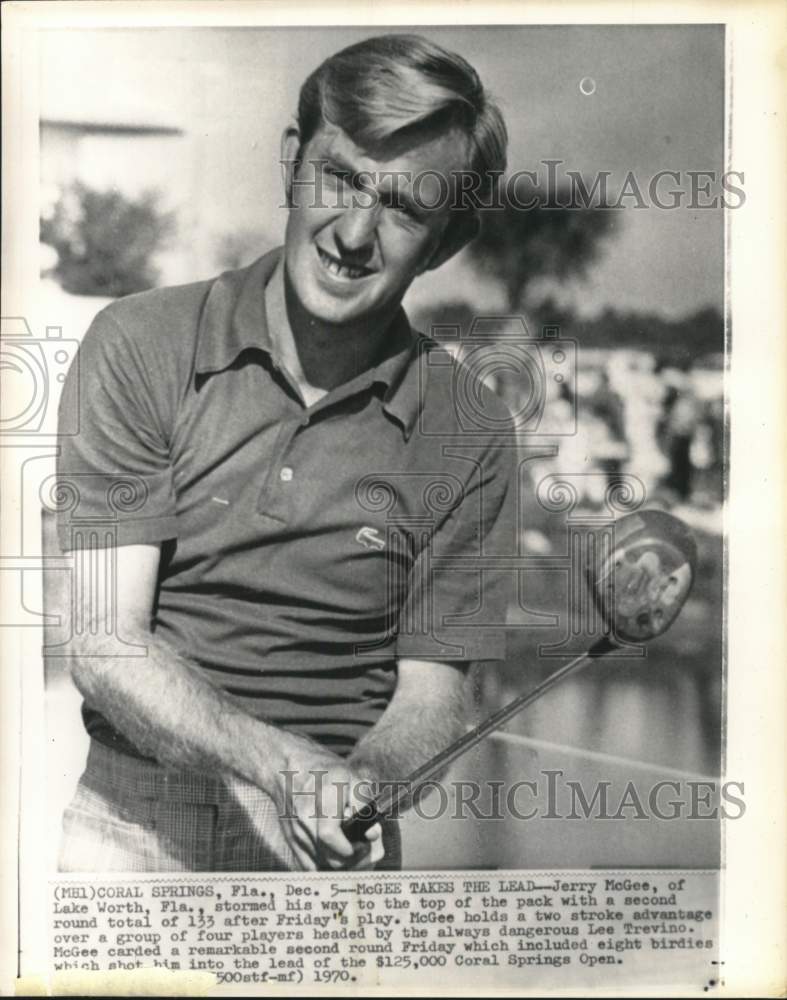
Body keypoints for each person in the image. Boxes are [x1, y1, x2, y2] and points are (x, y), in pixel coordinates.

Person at [54, 34, 516, 873]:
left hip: (338, 834)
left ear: (445, 242)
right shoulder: (137, 341)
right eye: (339, 177)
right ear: (292, 161)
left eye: (405, 208)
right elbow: (102, 641)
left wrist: (358, 784)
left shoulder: (472, 427)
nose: (353, 232)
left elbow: (435, 691)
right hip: (135, 821)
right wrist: (280, 770)